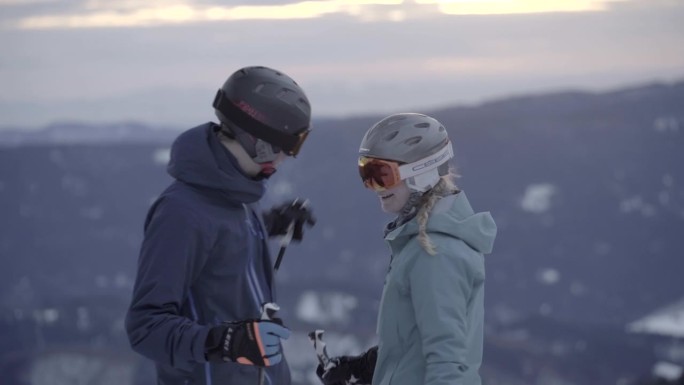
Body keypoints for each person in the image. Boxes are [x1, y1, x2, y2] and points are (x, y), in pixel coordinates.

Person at [125, 65, 316, 385]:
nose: (286, 158)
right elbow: (146, 327)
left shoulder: (238, 193)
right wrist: (224, 342)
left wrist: (269, 223)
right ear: (257, 141)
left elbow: (217, 241)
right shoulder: (180, 213)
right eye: (284, 147)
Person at [317, 113, 497, 385]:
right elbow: (419, 341)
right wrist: (371, 367)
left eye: (382, 175)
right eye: (366, 173)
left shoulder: (436, 253)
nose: (373, 187)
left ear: (420, 173)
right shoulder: (422, 242)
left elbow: (449, 362)